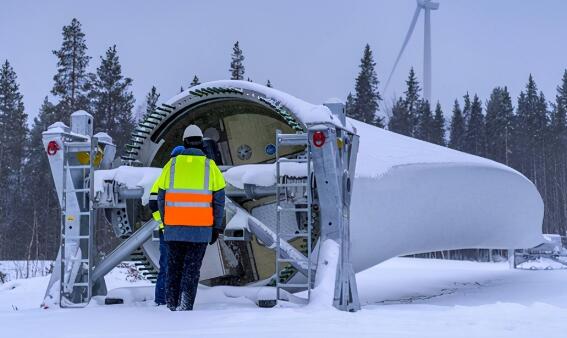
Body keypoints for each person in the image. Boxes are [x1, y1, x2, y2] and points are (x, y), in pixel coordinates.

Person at [155, 125, 226, 311]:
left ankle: (172, 305)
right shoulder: (210, 167)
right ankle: (186, 306)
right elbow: (219, 202)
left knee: (174, 268)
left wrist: (166, 223)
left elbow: (160, 198)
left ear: (184, 142)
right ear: (201, 143)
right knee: (191, 270)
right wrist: (216, 228)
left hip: (174, 229)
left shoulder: (171, 165)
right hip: (200, 231)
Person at [149, 145, 185, 306]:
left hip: (170, 229)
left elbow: (153, 203)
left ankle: (163, 300)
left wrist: (164, 222)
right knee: (179, 266)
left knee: (168, 266)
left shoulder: (164, 176)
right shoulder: (171, 176)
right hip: (181, 229)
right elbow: (153, 203)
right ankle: (170, 300)